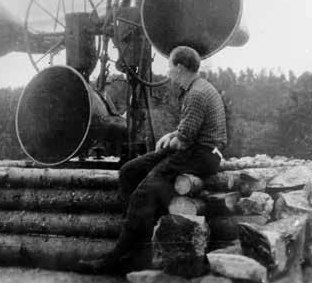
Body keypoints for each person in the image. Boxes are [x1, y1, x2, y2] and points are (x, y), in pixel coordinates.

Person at [78, 45, 227, 274]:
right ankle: (140, 243)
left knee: (143, 193)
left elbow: (185, 140)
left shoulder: (196, 94)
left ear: (179, 67)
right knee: (130, 171)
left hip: (202, 155)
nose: (168, 73)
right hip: (194, 149)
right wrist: (170, 136)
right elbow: (184, 132)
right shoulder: (197, 88)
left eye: (170, 68)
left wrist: (172, 140)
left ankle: (117, 258)